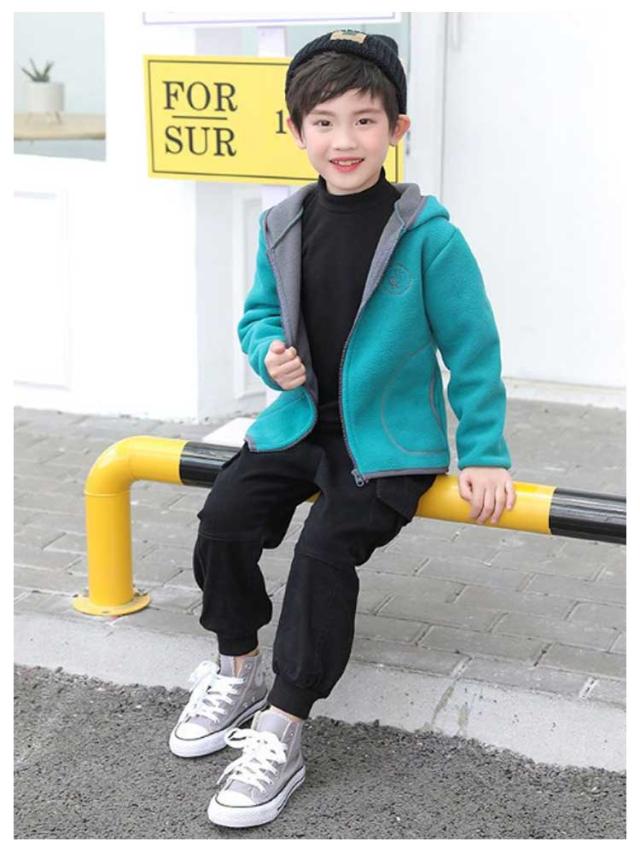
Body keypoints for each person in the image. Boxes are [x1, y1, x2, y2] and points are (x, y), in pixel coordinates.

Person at [169, 29, 516, 829]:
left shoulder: (430, 238)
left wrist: (485, 452)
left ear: (397, 130)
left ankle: (283, 725)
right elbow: (257, 317)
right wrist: (270, 352)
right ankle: (238, 667)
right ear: (296, 131)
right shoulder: (283, 223)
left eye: (364, 120)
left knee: (324, 551)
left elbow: (474, 350)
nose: (343, 139)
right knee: (224, 517)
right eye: (323, 122)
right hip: (298, 425)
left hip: (384, 444)